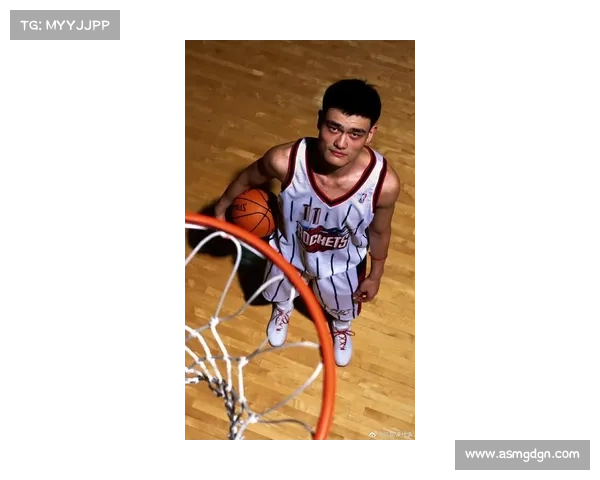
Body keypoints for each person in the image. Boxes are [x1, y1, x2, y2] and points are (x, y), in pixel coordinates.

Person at [214, 79, 400, 367]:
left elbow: (379, 231)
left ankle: (340, 326)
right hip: (291, 248)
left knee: (341, 304)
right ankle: (283, 307)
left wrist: (376, 275)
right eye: (334, 128)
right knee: (280, 286)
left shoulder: (383, 184)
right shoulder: (284, 160)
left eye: (355, 134)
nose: (341, 143)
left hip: (341, 261)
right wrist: (221, 211)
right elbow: (247, 179)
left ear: (371, 134)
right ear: (319, 120)